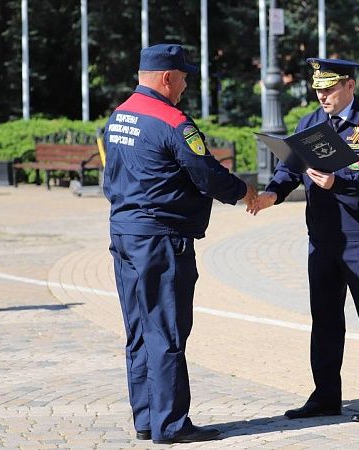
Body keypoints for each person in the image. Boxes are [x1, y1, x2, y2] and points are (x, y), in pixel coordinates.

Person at [102, 43, 256, 444]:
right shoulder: (172, 121)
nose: (186, 85)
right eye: (184, 77)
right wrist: (246, 193)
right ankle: (171, 425)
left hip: (124, 234)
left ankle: (147, 419)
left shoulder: (120, 116)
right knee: (166, 331)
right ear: (167, 77)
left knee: (137, 330)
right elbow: (206, 174)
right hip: (161, 240)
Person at [251, 57, 359, 422]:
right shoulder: (310, 123)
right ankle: (325, 396)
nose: (322, 95)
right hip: (322, 238)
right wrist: (272, 194)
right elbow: (289, 169)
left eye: (329, 88)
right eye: (317, 89)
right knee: (326, 319)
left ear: (350, 85)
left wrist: (341, 181)